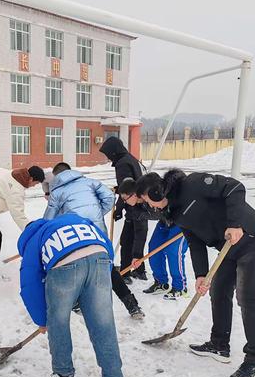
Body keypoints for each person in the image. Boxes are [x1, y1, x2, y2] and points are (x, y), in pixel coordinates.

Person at [136, 170, 255, 377]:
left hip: (249, 237)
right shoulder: (174, 213)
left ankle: (254, 358)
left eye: (148, 200)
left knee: (247, 299)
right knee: (218, 293)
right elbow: (195, 242)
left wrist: (235, 223)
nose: (151, 207)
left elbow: (235, 187)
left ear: (155, 192)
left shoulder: (193, 183)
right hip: (227, 248)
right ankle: (219, 345)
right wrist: (201, 274)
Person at [18, 213, 127, 377]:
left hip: (64, 266)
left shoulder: (34, 239)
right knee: (104, 324)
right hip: (100, 258)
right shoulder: (76, 220)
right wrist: (95, 281)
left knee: (58, 321)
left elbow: (30, 285)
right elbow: (107, 246)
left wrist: (43, 321)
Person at [43, 162, 144, 319]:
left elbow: (49, 221)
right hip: (97, 231)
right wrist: (96, 215)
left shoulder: (57, 192)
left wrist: (63, 221)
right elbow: (110, 196)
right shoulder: (89, 182)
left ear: (57, 176)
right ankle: (133, 306)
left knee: (75, 264)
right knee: (107, 266)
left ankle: (77, 303)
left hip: (75, 235)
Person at [118, 178, 188, 300]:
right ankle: (161, 282)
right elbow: (140, 232)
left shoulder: (151, 193)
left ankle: (180, 287)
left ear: (134, 195)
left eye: (125, 199)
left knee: (173, 251)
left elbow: (162, 209)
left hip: (180, 222)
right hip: (164, 222)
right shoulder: (136, 207)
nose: (125, 202)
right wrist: (137, 255)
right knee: (154, 247)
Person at [100, 136, 148, 283]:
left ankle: (125, 273)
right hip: (140, 203)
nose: (107, 157)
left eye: (107, 153)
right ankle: (139, 270)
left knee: (128, 240)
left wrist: (120, 208)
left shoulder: (122, 164)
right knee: (133, 238)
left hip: (134, 206)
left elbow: (126, 189)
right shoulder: (130, 159)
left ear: (113, 152)